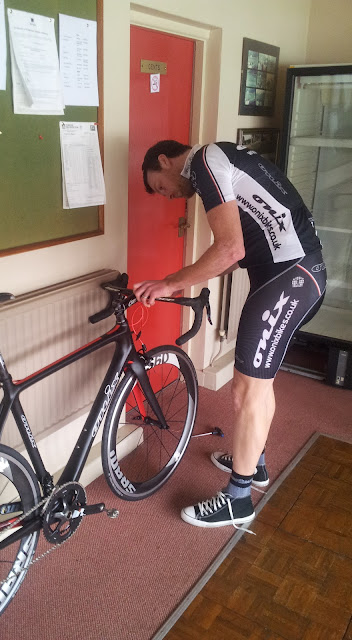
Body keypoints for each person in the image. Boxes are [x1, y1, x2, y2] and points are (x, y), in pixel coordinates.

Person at [133, 140, 326, 530]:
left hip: (290, 279)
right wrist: (182, 282)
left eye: (160, 186)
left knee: (245, 390)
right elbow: (232, 255)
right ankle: (254, 464)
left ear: (165, 161)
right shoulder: (221, 159)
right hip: (295, 276)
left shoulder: (204, 162)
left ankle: (238, 499)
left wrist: (169, 283)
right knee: (259, 384)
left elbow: (230, 249)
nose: (168, 196)